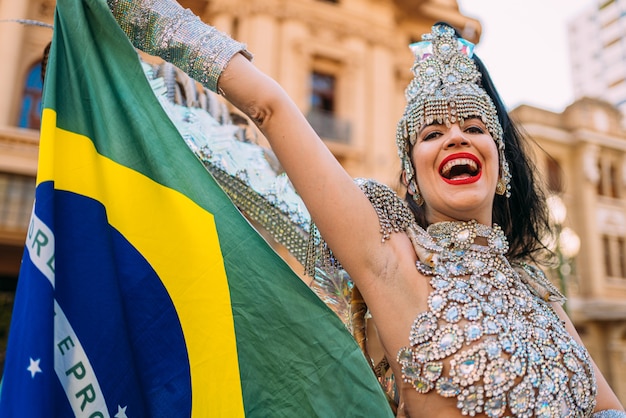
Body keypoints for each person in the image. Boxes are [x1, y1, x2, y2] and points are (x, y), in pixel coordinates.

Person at [108, 1, 625, 416]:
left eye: (473, 127)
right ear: (411, 174)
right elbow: (270, 106)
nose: (454, 139)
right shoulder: (391, 259)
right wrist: (135, 9)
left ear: (501, 164)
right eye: (431, 133)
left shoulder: (538, 290)